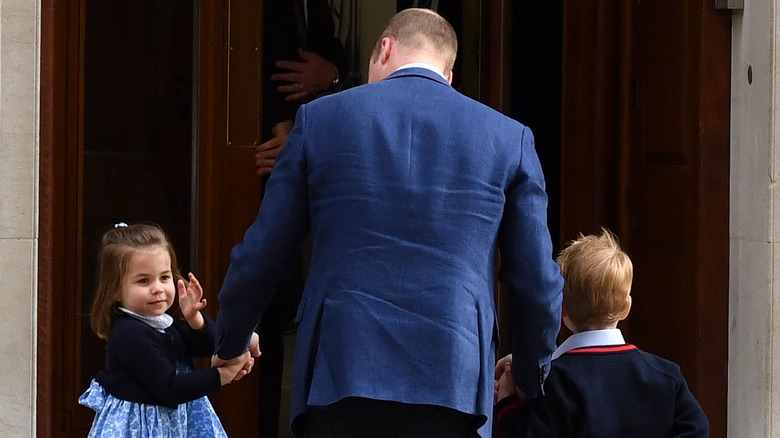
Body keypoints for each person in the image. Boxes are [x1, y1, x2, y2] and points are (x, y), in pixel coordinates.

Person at [213, 8, 562, 438]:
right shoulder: (510, 138)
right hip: (454, 375)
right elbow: (537, 282)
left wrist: (231, 341)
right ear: (448, 75)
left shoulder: (319, 120)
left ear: (384, 48)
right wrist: (529, 377)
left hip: (340, 373)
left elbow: (263, 252)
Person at [493, 228, 710, 437]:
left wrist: (506, 404)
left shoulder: (555, 381)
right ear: (626, 308)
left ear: (561, 309)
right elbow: (698, 429)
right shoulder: (666, 375)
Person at [253, 2, 348, 437]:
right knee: (263, 299)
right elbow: (244, 53)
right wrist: (281, 127)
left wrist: (331, 75)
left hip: (313, 168)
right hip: (259, 163)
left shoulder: (323, 9)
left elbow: (334, 63)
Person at [78, 222, 256, 437]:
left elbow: (209, 346)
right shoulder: (129, 333)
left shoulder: (164, 321)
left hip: (174, 422)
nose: (158, 289)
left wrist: (194, 318)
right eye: (144, 281)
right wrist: (222, 375)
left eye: (164, 277)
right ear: (115, 290)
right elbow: (168, 387)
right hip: (143, 427)